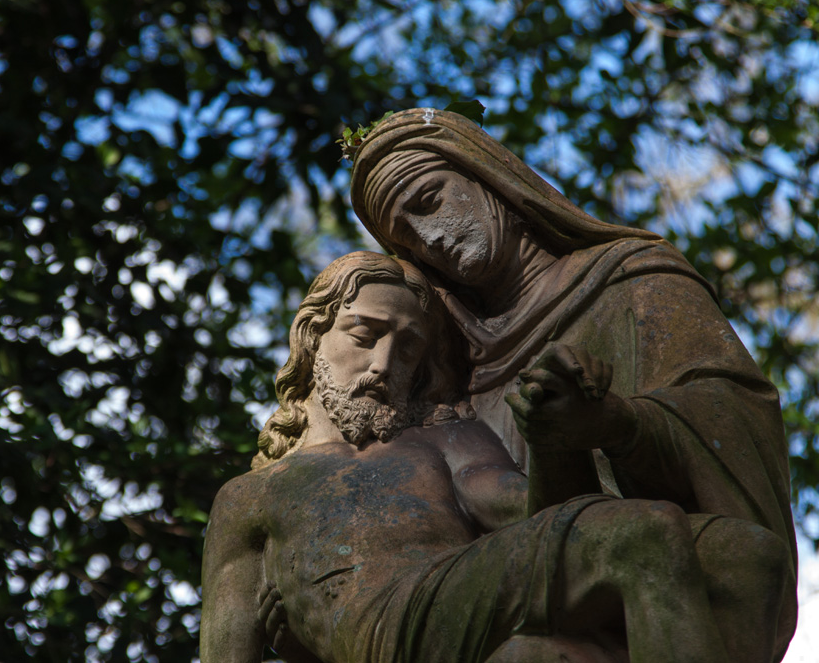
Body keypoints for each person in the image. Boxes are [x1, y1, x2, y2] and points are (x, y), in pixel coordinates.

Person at [349, 109, 797, 656]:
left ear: (491, 178)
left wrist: (619, 423)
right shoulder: (444, 365)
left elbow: (730, 418)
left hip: (661, 577)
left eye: (429, 200)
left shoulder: (633, 280)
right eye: (407, 239)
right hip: (520, 602)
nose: (429, 239)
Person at [200, 251, 789, 663]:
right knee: (644, 534)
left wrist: (552, 429)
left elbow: (540, 516)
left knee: (747, 554)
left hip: (463, 601)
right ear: (312, 336)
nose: (383, 365)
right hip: (388, 628)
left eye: (408, 349)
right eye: (364, 334)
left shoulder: (446, 438)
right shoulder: (253, 494)